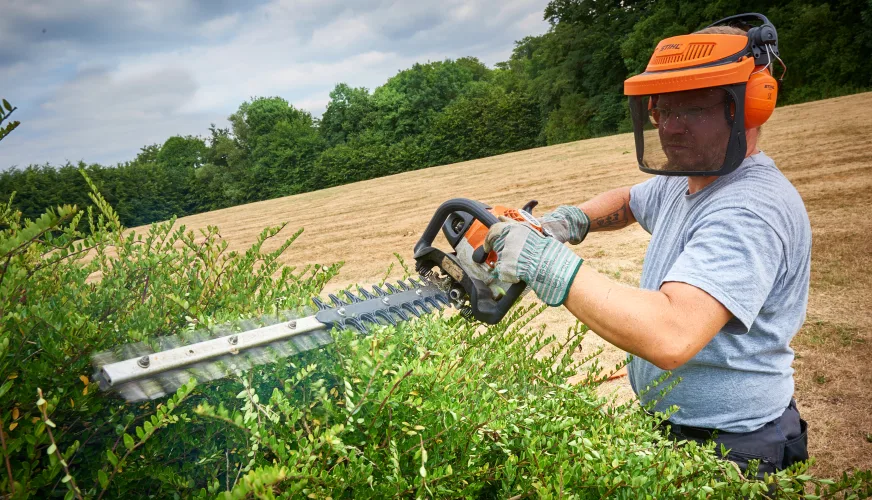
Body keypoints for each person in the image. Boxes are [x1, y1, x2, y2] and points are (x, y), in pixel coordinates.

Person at [483, 14, 810, 477]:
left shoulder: (749, 209)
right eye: (663, 110)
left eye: (693, 109)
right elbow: (631, 201)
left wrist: (544, 262)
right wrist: (566, 222)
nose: (671, 128)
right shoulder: (689, 177)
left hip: (733, 448)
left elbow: (672, 334)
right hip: (677, 428)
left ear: (751, 105)